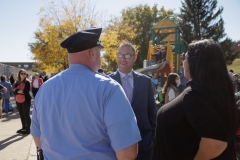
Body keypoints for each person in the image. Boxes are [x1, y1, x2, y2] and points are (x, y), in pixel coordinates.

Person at [31, 27, 141, 160]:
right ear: (93, 54)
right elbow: (127, 153)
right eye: (99, 53)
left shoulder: (45, 89)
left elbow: (38, 139)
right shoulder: (109, 89)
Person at [154, 39, 238, 160]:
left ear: (196, 62)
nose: (183, 62)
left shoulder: (194, 95)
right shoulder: (219, 94)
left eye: (185, 57)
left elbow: (216, 140)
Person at [110, 42, 156, 160]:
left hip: (144, 145)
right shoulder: (107, 82)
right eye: (120, 55)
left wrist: (152, 139)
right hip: (115, 146)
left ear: (134, 58)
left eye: (127, 56)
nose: (123, 59)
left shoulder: (146, 82)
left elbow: (152, 113)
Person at [14, 69, 32, 134]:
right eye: (22, 73)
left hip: (25, 100)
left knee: (26, 115)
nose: (23, 74)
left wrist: (18, 91)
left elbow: (26, 92)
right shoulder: (17, 82)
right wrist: (19, 91)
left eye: (24, 73)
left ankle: (28, 129)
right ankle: (24, 127)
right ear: (19, 74)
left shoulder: (27, 82)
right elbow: (14, 91)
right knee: (21, 114)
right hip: (18, 100)